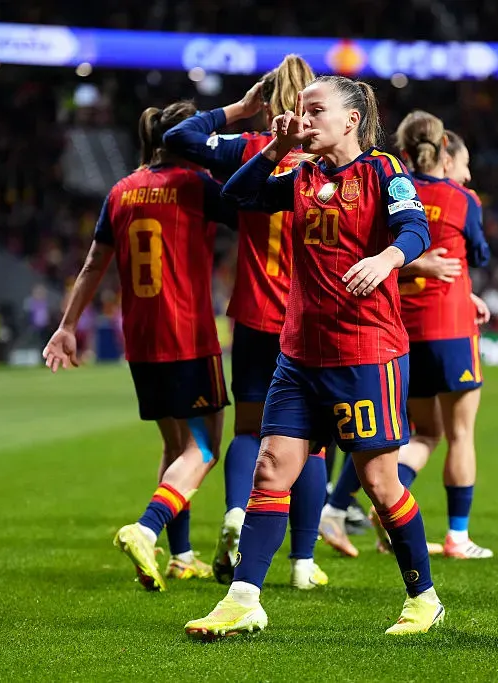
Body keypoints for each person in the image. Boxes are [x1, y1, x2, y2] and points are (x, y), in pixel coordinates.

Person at [185, 75, 443, 639]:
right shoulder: (299, 172)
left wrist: (390, 258)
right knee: (272, 465)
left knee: (380, 483)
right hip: (299, 352)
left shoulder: (384, 171)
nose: (302, 119)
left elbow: (416, 226)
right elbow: (236, 197)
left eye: (314, 110)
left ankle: (423, 598)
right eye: (299, 110)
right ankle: (244, 598)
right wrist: (275, 147)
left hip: (365, 351)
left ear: (351, 120)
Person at [43, 102, 235, 590]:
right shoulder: (196, 185)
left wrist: (67, 326)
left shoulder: (121, 191)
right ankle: (147, 529)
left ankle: (182, 554)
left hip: (142, 341)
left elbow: (91, 266)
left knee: (174, 446)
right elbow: (254, 209)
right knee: (205, 448)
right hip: (188, 335)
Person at [163, 55, 330, 590]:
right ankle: (303, 561)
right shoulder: (329, 159)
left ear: (269, 97)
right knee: (316, 442)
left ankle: (237, 513)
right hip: (312, 318)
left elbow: (180, 136)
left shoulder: (251, 151)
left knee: (250, 430)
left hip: (257, 313)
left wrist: (239, 109)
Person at [320, 121, 492, 560]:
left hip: (402, 332)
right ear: (447, 155)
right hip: (452, 329)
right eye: (465, 165)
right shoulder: (461, 199)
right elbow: (478, 254)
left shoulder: (386, 186)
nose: (468, 175)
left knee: (409, 432)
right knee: (459, 434)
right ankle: (457, 535)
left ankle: (350, 507)